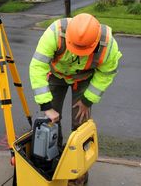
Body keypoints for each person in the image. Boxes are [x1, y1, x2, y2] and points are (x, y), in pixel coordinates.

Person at [29, 13, 122, 186]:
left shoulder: (108, 45)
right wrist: (46, 105)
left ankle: (78, 177)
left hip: (84, 79)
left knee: (81, 127)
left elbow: (106, 74)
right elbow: (37, 67)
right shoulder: (55, 32)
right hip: (57, 76)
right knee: (50, 122)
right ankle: (52, 163)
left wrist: (87, 100)